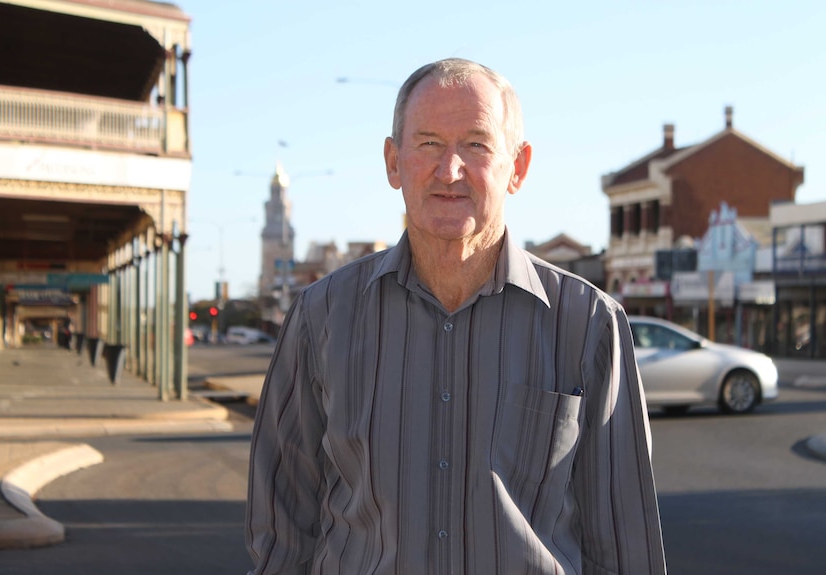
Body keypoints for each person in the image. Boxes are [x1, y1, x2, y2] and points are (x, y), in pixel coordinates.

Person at [246, 58, 666, 574]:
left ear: (518, 166)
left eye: (476, 144)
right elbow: (283, 529)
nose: (449, 170)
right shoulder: (322, 317)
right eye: (427, 143)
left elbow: (626, 547)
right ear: (393, 162)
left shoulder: (588, 326)